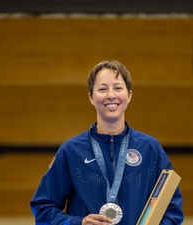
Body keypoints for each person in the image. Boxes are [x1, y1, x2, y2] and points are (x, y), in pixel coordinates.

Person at [30, 60, 184, 225]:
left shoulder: (150, 149)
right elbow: (43, 208)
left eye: (118, 88)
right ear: (91, 97)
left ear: (129, 95)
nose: (111, 95)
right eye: (102, 89)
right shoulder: (71, 151)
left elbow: (172, 210)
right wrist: (78, 222)